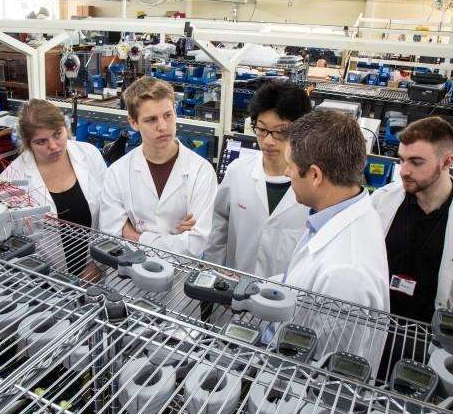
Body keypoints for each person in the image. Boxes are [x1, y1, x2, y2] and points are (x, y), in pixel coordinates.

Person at [267, 109, 390, 366]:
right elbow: (303, 286)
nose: (287, 173)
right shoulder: (343, 210)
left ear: (315, 175)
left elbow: (322, 372)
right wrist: (259, 286)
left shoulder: (346, 275)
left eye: (290, 166)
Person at [371, 117, 453, 331]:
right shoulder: (382, 200)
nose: (404, 171)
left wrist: (448, 345)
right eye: (402, 160)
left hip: (430, 336)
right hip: (375, 323)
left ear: (447, 162)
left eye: (416, 162)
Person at [100, 76, 217, 258]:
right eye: (151, 119)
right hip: (128, 279)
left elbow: (196, 243)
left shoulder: (201, 171)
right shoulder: (117, 173)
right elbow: (111, 238)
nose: (162, 126)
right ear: (133, 122)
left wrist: (135, 236)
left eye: (167, 115)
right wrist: (174, 238)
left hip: (179, 280)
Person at [204, 80, 310, 277]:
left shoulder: (311, 187)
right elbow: (218, 225)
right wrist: (213, 271)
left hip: (283, 300)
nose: (268, 141)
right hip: (232, 292)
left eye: (281, 132)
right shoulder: (238, 172)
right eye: (261, 129)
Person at [0, 99, 107, 278]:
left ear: (66, 128)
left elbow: (109, 213)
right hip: (44, 281)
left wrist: (99, 264)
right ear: (27, 143)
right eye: (41, 141)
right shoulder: (11, 180)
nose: (53, 146)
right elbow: (10, 243)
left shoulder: (89, 154)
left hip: (96, 272)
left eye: (57, 134)